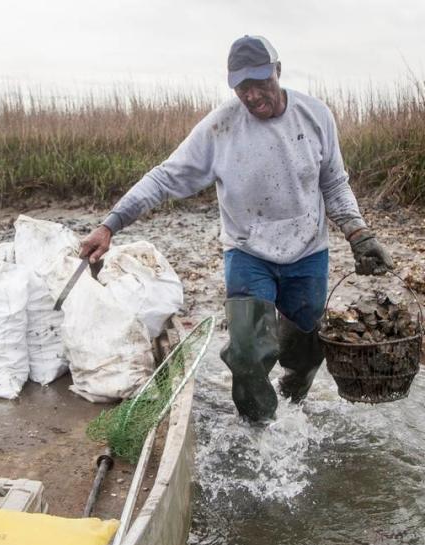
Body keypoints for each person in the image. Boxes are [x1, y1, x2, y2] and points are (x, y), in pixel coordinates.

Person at [80, 35, 394, 421]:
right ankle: (259, 430)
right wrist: (111, 225)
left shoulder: (316, 116)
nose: (253, 94)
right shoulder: (220, 129)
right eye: (242, 86)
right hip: (248, 254)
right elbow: (164, 179)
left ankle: (293, 403)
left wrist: (359, 234)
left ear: (278, 71)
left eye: (261, 82)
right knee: (247, 354)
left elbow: (333, 183)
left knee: (307, 352)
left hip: (308, 253)